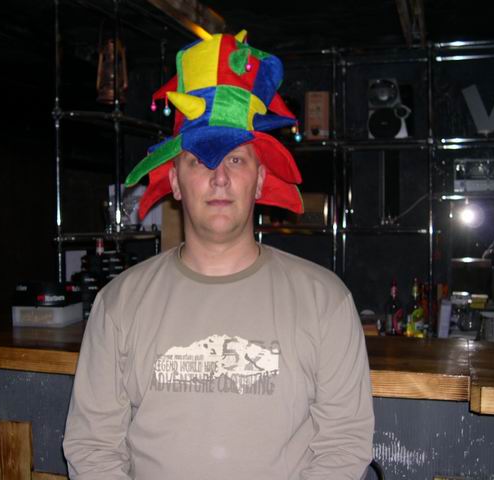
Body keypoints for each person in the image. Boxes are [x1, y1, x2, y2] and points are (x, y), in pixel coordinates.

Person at [63, 30, 374, 480]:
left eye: (236, 160)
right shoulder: (118, 304)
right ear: (174, 181)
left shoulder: (325, 301)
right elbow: (92, 447)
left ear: (260, 180)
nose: (219, 177)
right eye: (199, 161)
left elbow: (344, 444)